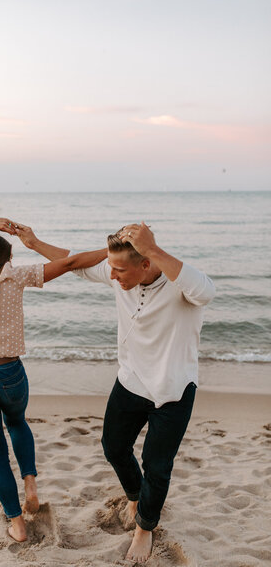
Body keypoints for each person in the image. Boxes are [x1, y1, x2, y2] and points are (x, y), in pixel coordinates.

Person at [15, 220, 215, 562]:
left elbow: (207, 291)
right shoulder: (119, 273)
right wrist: (34, 244)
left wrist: (152, 246)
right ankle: (136, 496)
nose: (112, 276)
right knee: (113, 446)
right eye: (111, 267)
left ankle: (144, 528)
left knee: (157, 465)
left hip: (173, 390)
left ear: (146, 264)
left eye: (120, 269)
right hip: (131, 382)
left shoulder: (183, 284)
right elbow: (74, 262)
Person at [0, 217, 106, 543]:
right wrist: (112, 249)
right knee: (18, 424)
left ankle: (17, 524)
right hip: (11, 373)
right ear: (6, 260)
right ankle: (30, 481)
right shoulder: (15, 276)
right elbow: (72, 262)